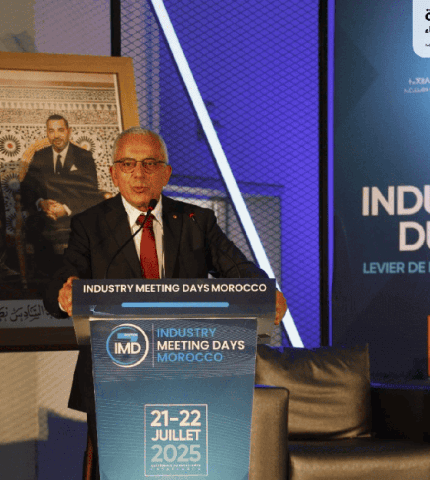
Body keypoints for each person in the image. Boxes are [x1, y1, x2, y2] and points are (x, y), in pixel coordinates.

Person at [42, 127, 287, 479]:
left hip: (187, 371)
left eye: (149, 163)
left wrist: (264, 291)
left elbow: (237, 267)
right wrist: (64, 291)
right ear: (113, 173)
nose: (138, 174)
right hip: (115, 376)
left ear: (166, 173)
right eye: (127, 164)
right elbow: (64, 277)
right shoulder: (91, 224)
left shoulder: (196, 221)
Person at [20, 114, 105, 277]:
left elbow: (91, 194)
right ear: (47, 133)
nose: (56, 135)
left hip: (74, 214)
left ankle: (77, 278)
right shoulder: (40, 156)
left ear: (68, 131)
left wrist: (65, 209)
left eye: (60, 130)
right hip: (45, 217)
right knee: (36, 228)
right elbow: (26, 189)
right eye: (51, 131)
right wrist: (41, 202)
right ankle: (50, 280)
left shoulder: (84, 157)